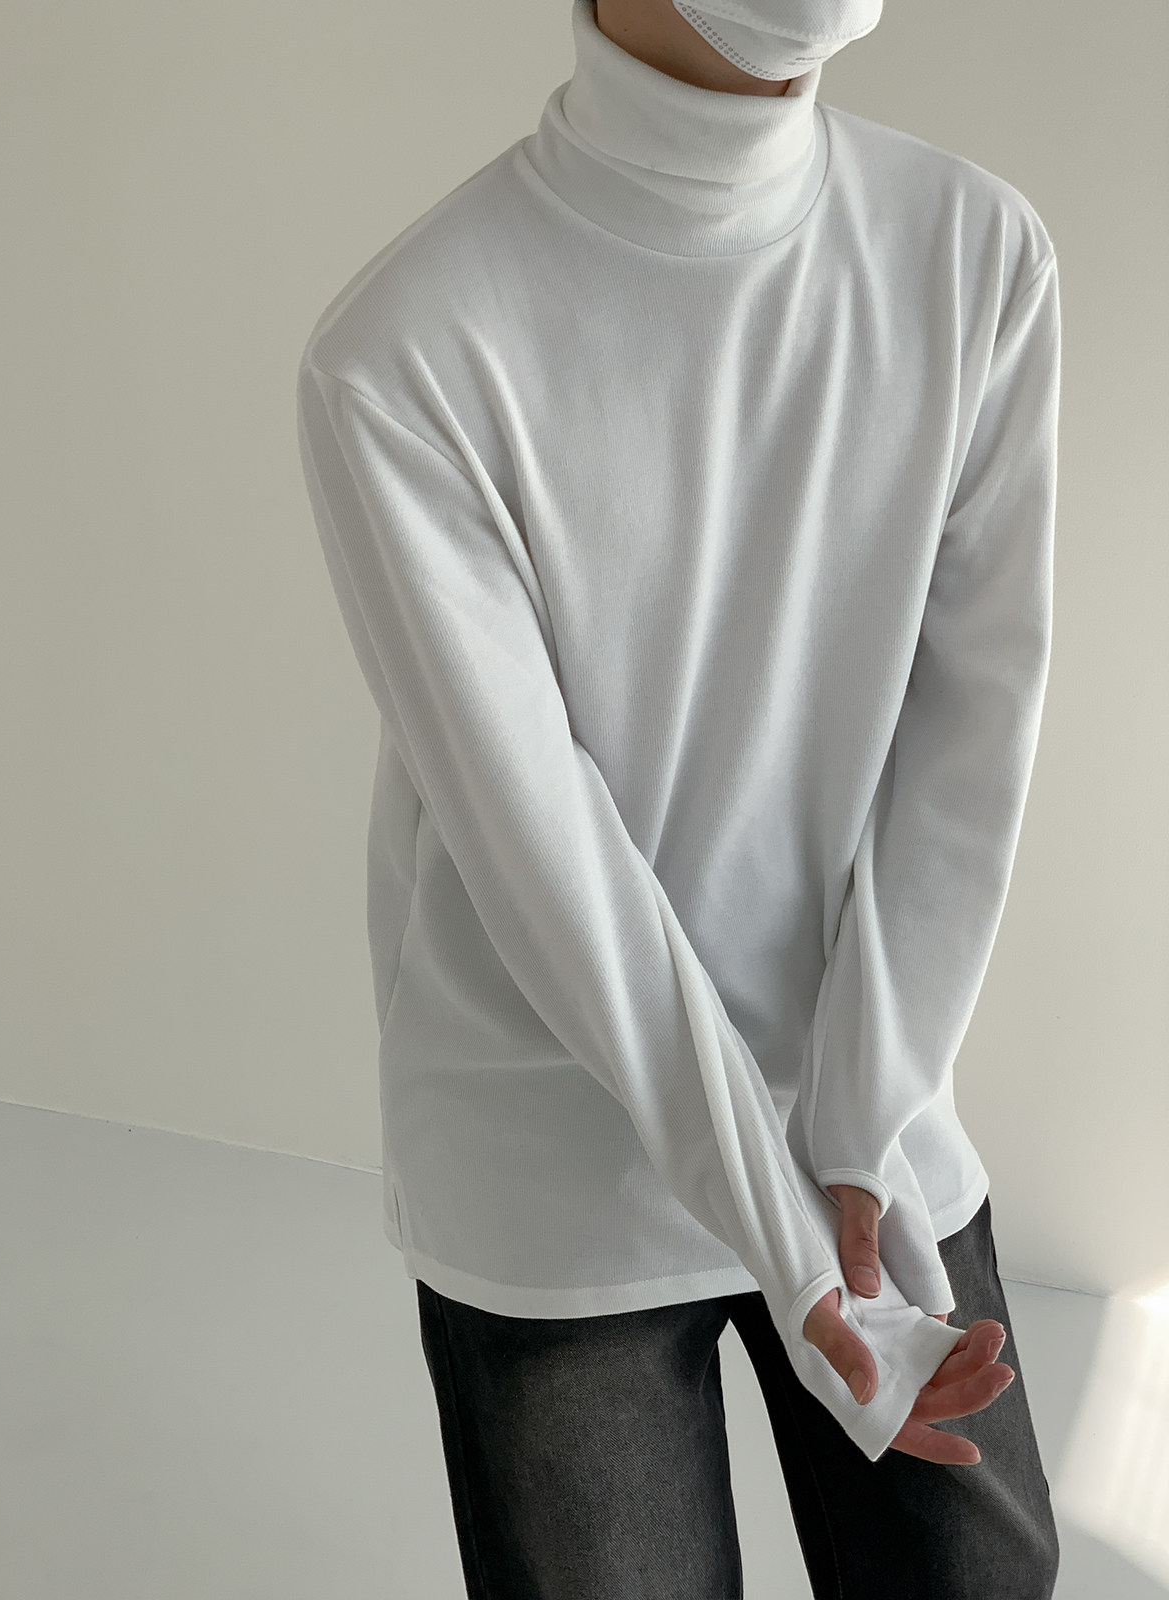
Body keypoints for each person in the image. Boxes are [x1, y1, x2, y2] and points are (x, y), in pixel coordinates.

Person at [295, 0, 1062, 1592]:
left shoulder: (975, 252)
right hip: (553, 1161)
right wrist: (788, 1244)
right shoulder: (408, 351)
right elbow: (547, 864)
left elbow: (969, 735)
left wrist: (857, 1123)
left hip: (864, 1109)